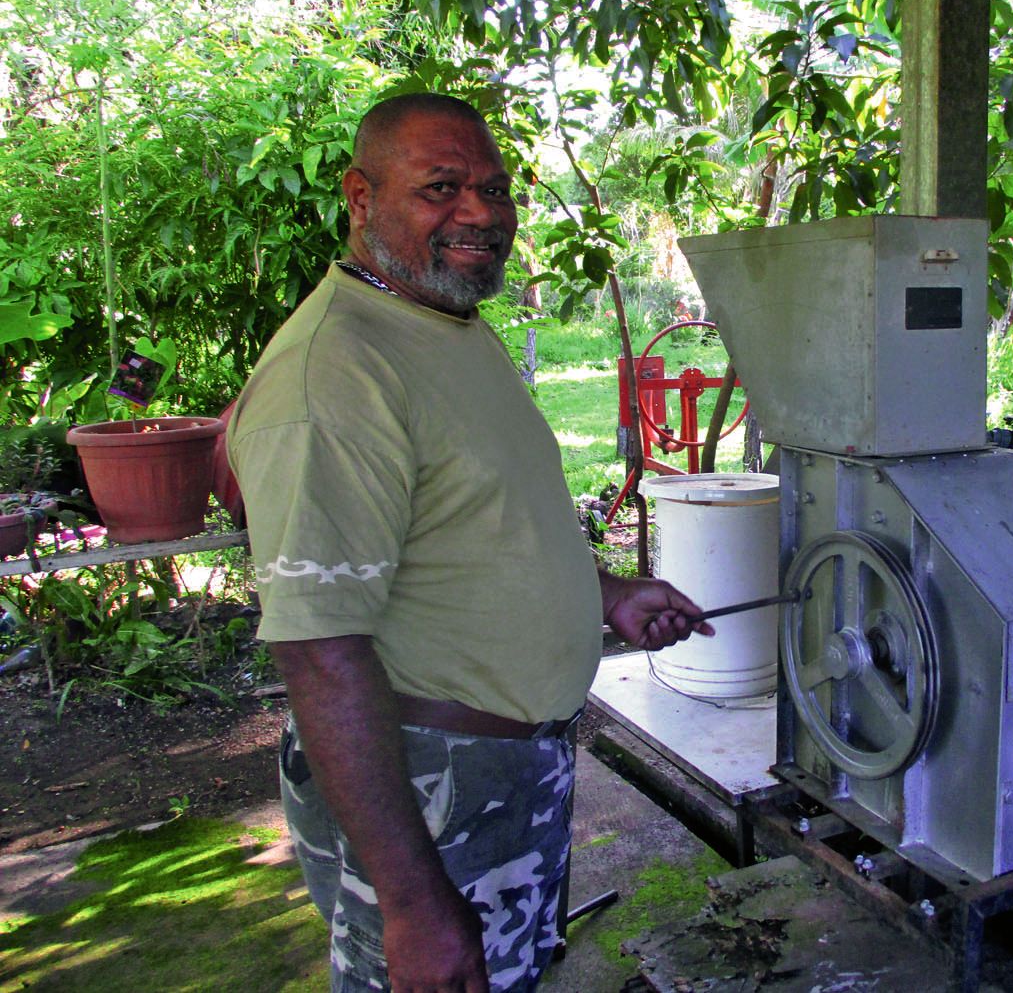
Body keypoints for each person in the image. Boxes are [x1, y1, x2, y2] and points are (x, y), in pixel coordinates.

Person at [226, 92, 713, 993]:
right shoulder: (334, 374)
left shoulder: (441, 323)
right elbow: (319, 650)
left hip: (499, 765)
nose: (482, 214)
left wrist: (601, 593)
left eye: (495, 189)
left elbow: (469, 523)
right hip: (428, 783)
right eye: (441, 187)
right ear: (360, 197)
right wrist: (411, 899)